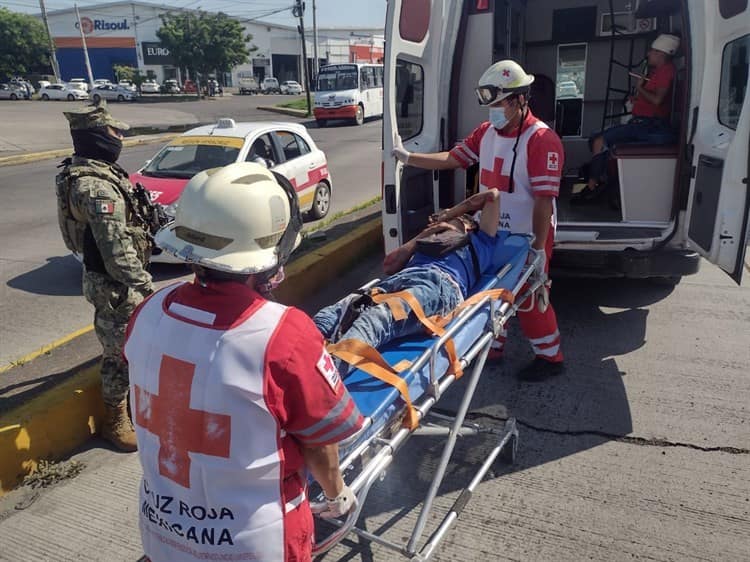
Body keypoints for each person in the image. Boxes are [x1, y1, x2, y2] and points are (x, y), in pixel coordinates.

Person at [125, 162, 363, 562]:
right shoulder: (282, 334)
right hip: (254, 544)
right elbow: (319, 441)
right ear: (268, 254)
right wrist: (337, 493)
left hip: (163, 534)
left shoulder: (148, 312)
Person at [391, 59, 564, 382]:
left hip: (529, 234)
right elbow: (454, 159)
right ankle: (493, 347)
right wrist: (408, 157)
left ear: (519, 99)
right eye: (490, 105)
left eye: (498, 104)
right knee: (490, 290)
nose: (493, 112)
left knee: (529, 299)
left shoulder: (542, 140)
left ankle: (550, 357)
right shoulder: (487, 132)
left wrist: (539, 250)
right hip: (492, 229)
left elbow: (543, 201)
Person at [315, 190, 504, 374]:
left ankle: (324, 378)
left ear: (468, 225)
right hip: (399, 281)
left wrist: (450, 214)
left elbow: (492, 195)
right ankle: (298, 355)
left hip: (440, 286)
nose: (445, 226)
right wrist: (423, 236)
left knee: (378, 317)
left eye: (454, 222)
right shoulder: (427, 242)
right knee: (332, 314)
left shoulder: (481, 241)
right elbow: (390, 266)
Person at [55, 100, 154, 451]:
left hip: (114, 281)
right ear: (96, 135)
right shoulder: (96, 189)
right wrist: (146, 286)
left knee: (130, 349)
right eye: (114, 132)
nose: (120, 138)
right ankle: (115, 421)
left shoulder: (92, 171)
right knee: (119, 355)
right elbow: (116, 253)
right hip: (116, 286)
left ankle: (132, 410)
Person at [573, 33, 680, 203]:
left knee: (599, 141)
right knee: (596, 137)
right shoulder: (658, 72)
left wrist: (640, 89)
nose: (648, 54)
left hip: (649, 125)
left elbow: (658, 100)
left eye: (652, 51)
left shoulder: (666, 72)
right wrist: (637, 99)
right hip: (641, 122)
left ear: (661, 54)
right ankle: (599, 180)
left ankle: (592, 187)